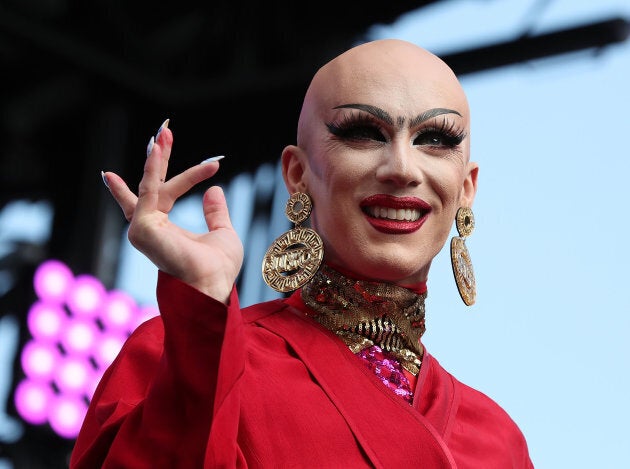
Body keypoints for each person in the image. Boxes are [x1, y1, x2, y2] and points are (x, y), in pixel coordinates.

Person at [70, 38, 534, 468]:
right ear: (297, 173)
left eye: (435, 140)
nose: (402, 168)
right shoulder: (186, 352)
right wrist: (204, 305)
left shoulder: (497, 440)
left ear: (467, 188)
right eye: (363, 133)